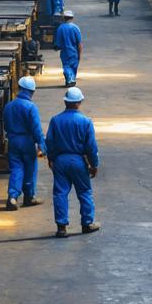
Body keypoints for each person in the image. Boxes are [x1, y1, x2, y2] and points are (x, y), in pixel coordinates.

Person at [46, 86, 100, 238]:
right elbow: (91, 147)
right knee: (84, 192)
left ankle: (61, 227)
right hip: (78, 161)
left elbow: (49, 142)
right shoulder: (86, 122)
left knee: (60, 193)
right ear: (79, 102)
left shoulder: (56, 120)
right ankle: (87, 223)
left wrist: (51, 159)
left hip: (60, 161)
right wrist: (94, 164)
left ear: (65, 101)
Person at [2, 75, 47, 211]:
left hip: (13, 141)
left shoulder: (9, 106)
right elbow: (36, 128)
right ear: (32, 92)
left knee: (16, 168)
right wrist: (42, 146)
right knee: (30, 168)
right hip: (27, 141)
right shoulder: (31, 107)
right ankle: (28, 197)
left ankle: (12, 197)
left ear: (20, 89)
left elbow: (5, 126)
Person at [53, 10, 82, 86]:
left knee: (66, 66)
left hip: (65, 52)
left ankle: (69, 80)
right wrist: (79, 54)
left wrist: (56, 47)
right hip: (74, 52)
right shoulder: (76, 28)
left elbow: (58, 43)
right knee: (74, 66)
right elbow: (79, 43)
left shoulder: (60, 28)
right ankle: (72, 79)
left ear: (63, 18)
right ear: (72, 18)